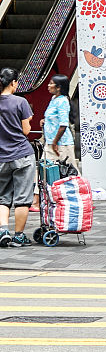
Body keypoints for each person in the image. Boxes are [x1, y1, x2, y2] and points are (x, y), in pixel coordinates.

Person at [0, 67, 35, 248]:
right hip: (22, 154)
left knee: (2, 198)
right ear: (13, 83)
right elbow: (26, 130)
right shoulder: (20, 102)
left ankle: (3, 230)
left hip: (1, 157)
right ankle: (19, 235)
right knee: (22, 198)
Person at [42, 74, 78, 173]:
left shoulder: (62, 101)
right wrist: (45, 121)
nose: (48, 86)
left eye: (51, 84)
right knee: (49, 173)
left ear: (58, 87)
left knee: (68, 173)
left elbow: (63, 124)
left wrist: (55, 142)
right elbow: (54, 118)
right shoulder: (54, 99)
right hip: (51, 142)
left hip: (61, 144)